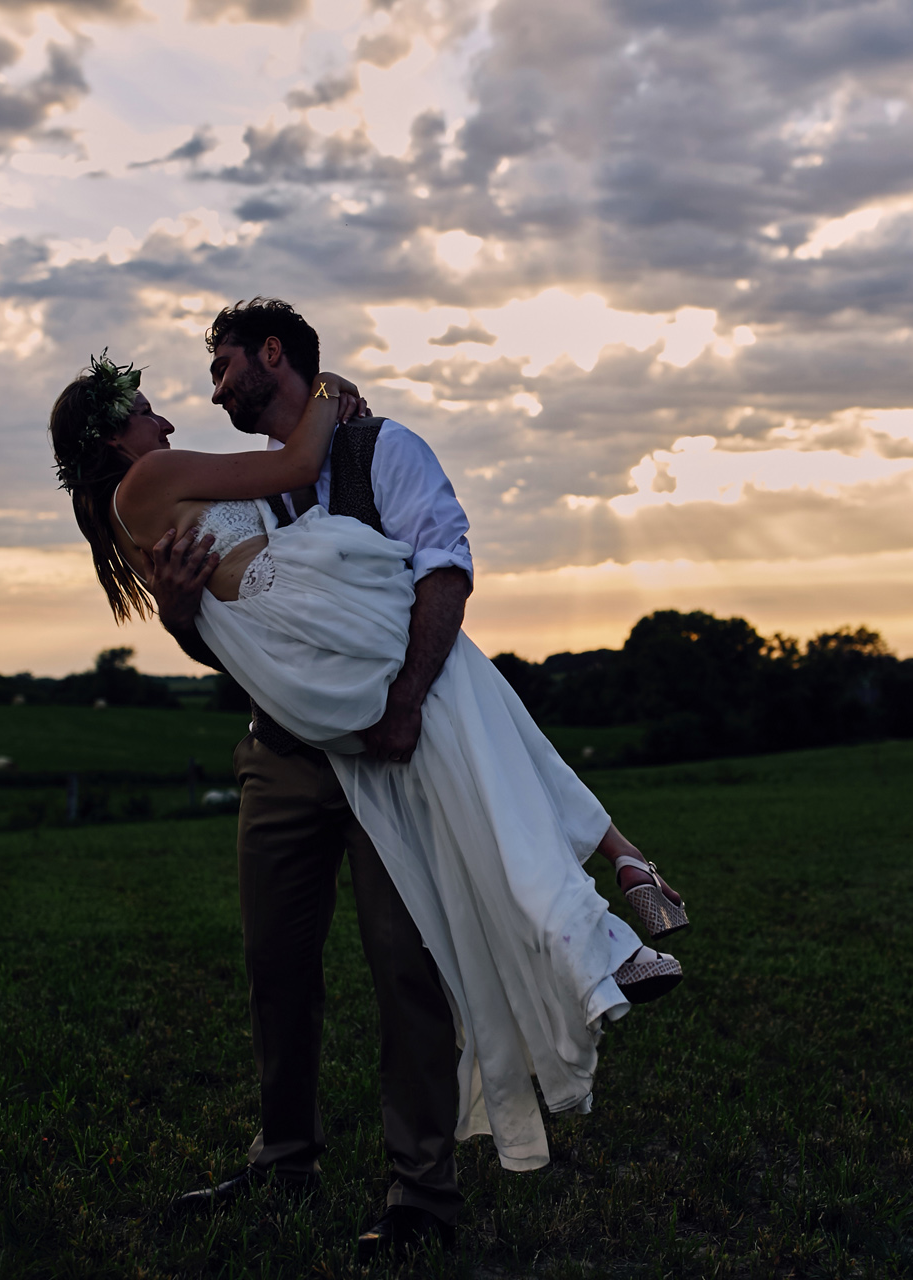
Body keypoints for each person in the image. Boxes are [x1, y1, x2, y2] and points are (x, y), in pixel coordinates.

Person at [45, 301, 686, 1257]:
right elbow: (235, 635)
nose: (191, 403)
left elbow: (445, 572)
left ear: (272, 354)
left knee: (409, 959)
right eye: (156, 404)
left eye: (219, 367)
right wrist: (181, 616)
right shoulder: (227, 482)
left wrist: (404, 705)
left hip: (392, 736)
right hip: (286, 745)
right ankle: (284, 1159)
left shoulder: (382, 450)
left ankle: (419, 1193)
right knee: (277, 965)